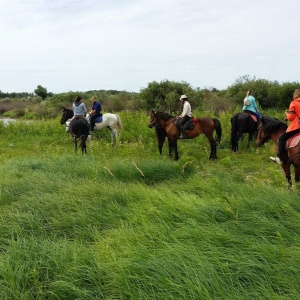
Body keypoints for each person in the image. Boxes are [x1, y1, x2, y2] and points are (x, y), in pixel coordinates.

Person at [270, 89, 300, 164]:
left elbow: (290, 117)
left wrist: (286, 114)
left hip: (297, 126)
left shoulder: (294, 103)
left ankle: (279, 157)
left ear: (295, 95)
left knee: (282, 138)